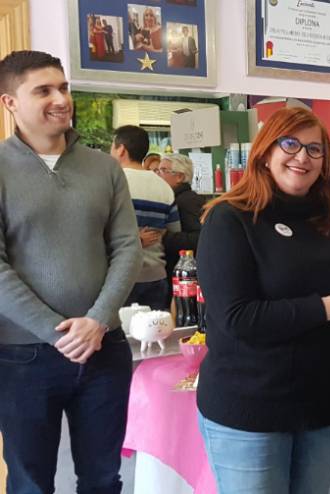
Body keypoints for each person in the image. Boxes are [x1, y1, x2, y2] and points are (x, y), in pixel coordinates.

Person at [196, 107, 330, 494]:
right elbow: (237, 318)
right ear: (265, 152)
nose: (302, 157)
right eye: (290, 144)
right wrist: (329, 308)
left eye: (314, 149)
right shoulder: (230, 219)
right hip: (251, 409)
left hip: (324, 405)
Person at [0, 50, 141, 493]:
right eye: (43, 91)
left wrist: (97, 321)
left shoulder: (104, 167)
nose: (60, 99)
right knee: (30, 483)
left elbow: (127, 248)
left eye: (63, 88)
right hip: (22, 356)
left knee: (103, 479)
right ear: (10, 103)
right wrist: (57, 332)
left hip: (104, 348)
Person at [111, 125, 180, 311]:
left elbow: (99, 231)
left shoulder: (111, 183)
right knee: (156, 328)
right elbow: (174, 232)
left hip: (119, 277)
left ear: (121, 150)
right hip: (156, 275)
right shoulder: (164, 187)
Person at [156, 153, 206, 285]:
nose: (157, 175)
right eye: (157, 170)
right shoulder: (173, 198)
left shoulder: (187, 201)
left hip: (187, 276)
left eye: (163, 170)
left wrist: (165, 236)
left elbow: (200, 238)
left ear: (180, 177)